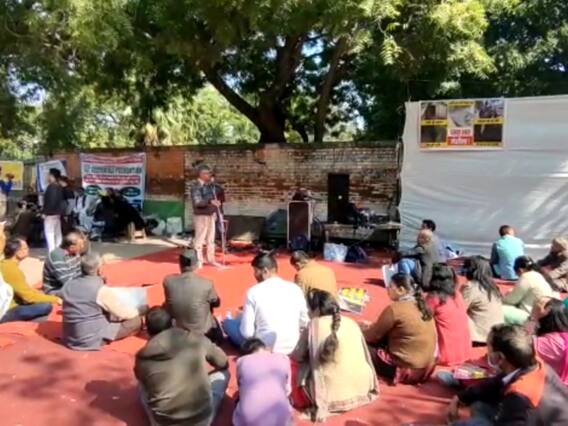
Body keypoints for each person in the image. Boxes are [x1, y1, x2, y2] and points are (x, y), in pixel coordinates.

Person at [447, 324, 568, 425]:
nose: (486, 351)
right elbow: (497, 382)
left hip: (528, 417)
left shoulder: (520, 395)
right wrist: (460, 397)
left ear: (500, 357)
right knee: (479, 406)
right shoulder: (534, 363)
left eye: (488, 347)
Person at [291, 289, 378, 422]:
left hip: (330, 397)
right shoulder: (351, 322)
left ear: (316, 310)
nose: (307, 312)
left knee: (290, 366)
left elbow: (297, 356)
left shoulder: (313, 325)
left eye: (308, 309)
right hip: (363, 389)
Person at [135, 307, 230, 426]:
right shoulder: (194, 339)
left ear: (147, 331)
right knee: (223, 373)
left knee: (142, 383)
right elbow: (222, 361)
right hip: (200, 420)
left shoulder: (143, 356)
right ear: (173, 322)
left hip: (164, 422)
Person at [222, 252, 309, 354]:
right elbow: (304, 321)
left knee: (228, 323)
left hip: (262, 348)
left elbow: (247, 333)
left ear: (265, 271)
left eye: (255, 271)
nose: (254, 275)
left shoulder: (253, 292)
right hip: (293, 346)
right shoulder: (295, 289)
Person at [362, 273, 437, 385]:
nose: (387, 289)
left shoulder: (395, 309)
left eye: (390, 286)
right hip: (425, 369)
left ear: (401, 290)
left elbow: (372, 336)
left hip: (404, 369)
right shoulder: (423, 306)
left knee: (358, 344)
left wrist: (359, 330)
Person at [61, 252, 144, 350]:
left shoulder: (68, 285)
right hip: (91, 338)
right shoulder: (100, 290)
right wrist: (140, 310)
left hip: (70, 337)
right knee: (136, 320)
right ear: (99, 270)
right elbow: (127, 314)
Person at [163, 249, 223, 343]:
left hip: (176, 331)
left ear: (180, 264)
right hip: (202, 332)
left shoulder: (168, 281)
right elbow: (217, 303)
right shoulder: (206, 283)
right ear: (196, 265)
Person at [233, 338, 293, 426]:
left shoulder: (241, 361)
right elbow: (288, 390)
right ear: (264, 348)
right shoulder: (284, 358)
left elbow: (240, 387)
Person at [0, 237, 59, 323]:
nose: (28, 250)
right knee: (45, 306)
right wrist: (55, 299)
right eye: (25, 248)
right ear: (18, 253)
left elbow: (25, 290)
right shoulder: (11, 269)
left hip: (9, 304)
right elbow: (28, 297)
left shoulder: (5, 264)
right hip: (7, 310)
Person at [425, 264, 472, 366]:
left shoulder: (433, 298)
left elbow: (421, 320)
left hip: (444, 355)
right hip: (464, 352)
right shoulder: (457, 295)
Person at [461, 256, 504, 344]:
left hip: (479, 336)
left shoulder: (471, 287)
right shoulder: (492, 287)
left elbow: (458, 309)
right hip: (495, 333)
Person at [502, 256, 557, 325]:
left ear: (520, 270)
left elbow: (512, 300)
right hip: (545, 313)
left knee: (500, 309)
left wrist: (502, 299)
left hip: (531, 314)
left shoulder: (525, 277)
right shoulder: (538, 275)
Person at [525, 297, 568, 385]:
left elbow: (519, 344)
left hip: (553, 388)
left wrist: (533, 317)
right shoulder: (562, 337)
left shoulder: (550, 343)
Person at [190, 165, 222, 268]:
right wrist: (210, 201)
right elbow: (197, 202)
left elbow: (214, 197)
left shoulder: (209, 186)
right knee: (199, 239)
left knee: (211, 239)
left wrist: (215, 207)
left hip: (210, 215)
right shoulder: (195, 186)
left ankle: (211, 259)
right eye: (207, 173)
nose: (209, 175)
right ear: (201, 174)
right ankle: (198, 261)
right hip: (201, 216)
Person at [42, 231, 84, 296]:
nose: (82, 247)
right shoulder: (56, 257)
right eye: (80, 245)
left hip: (71, 284)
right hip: (56, 289)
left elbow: (79, 272)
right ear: (71, 247)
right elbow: (66, 281)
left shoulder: (75, 254)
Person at [42, 168, 65, 252]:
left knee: (50, 234)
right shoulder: (59, 186)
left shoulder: (52, 187)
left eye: (48, 175)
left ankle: (52, 253)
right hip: (57, 213)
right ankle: (59, 251)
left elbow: (51, 201)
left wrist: (45, 213)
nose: (47, 177)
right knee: (57, 234)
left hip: (50, 214)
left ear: (52, 176)